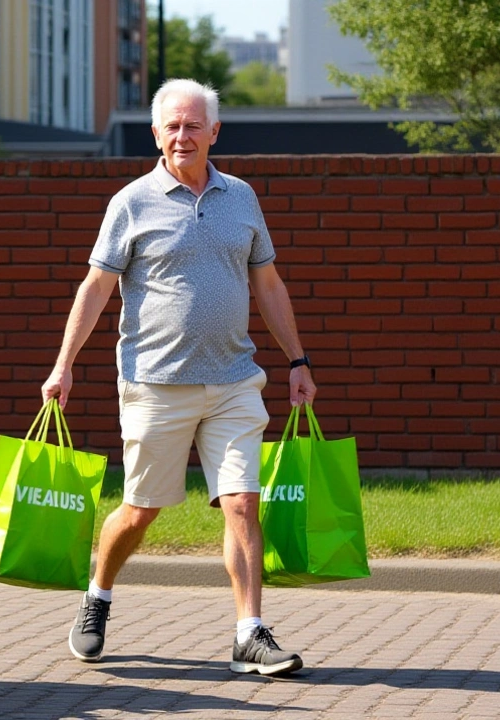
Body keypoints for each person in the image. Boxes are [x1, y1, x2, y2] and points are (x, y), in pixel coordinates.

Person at [41, 79, 316, 677]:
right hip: (154, 384)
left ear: (214, 132)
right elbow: (95, 288)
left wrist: (297, 360)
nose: (182, 135)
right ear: (155, 134)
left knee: (243, 502)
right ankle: (97, 597)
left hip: (234, 381)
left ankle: (249, 633)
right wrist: (64, 365)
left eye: (194, 125)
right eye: (172, 125)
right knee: (140, 511)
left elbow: (267, 283)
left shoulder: (241, 197)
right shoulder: (132, 202)